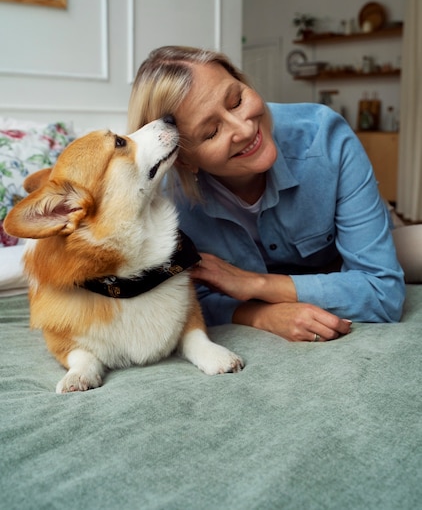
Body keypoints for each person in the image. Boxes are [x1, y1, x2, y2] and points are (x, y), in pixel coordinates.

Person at [127, 45, 405, 342]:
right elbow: (179, 302)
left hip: (383, 225)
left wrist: (255, 285)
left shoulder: (325, 138)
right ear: (184, 159)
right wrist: (260, 315)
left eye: (237, 100)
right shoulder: (166, 202)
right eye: (211, 132)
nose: (244, 129)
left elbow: (383, 291)